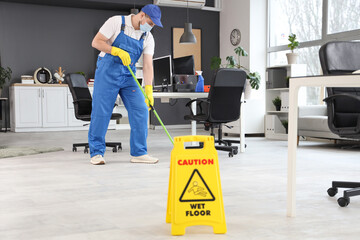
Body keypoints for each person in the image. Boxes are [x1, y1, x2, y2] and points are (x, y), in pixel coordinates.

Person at [89, 4, 163, 165]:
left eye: (154, 25)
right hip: (107, 72)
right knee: (102, 112)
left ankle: (139, 152)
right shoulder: (116, 22)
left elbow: (148, 65)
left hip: (129, 75)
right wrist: (115, 50)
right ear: (142, 15)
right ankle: (96, 153)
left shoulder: (147, 37)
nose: (151, 27)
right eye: (150, 23)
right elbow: (96, 42)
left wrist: (149, 90)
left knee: (141, 109)